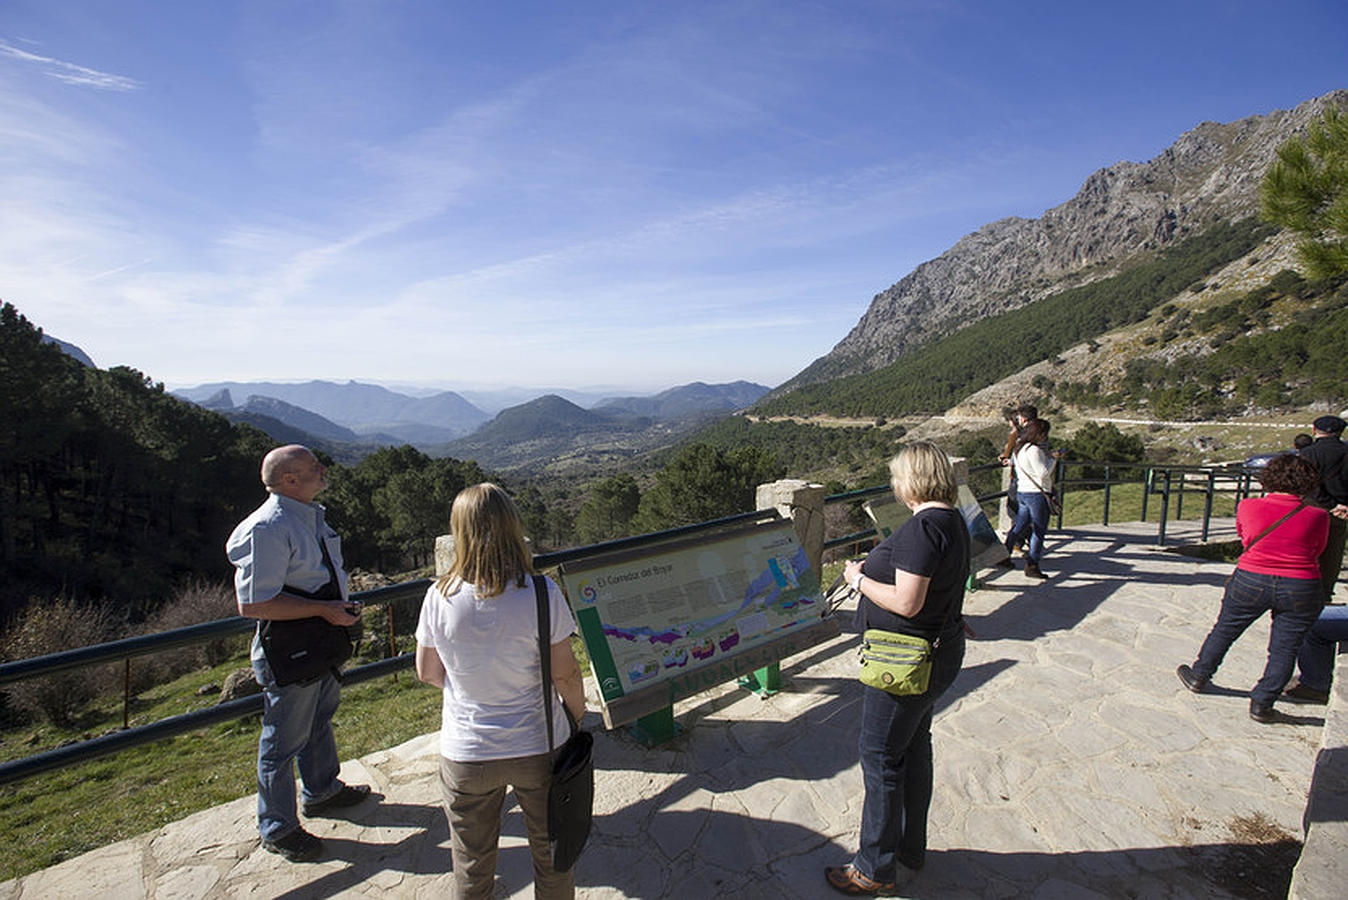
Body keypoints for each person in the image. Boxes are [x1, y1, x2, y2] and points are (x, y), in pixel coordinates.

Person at [415, 483, 587, 900]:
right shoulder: (541, 594)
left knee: (471, 865)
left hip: (468, 750)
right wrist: (575, 719)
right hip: (539, 745)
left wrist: (468, 685)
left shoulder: (438, 597)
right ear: (512, 525)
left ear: (459, 531)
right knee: (553, 859)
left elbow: (427, 671)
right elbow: (565, 675)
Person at [826, 442, 969, 896]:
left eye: (896, 476)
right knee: (914, 748)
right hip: (938, 651)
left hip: (905, 663)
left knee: (881, 757)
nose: (893, 484)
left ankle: (872, 869)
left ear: (912, 479)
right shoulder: (952, 520)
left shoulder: (924, 527)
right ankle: (910, 848)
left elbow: (908, 602)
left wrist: (859, 580)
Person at [226, 444, 371, 862]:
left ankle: (322, 790)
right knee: (281, 743)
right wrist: (325, 609)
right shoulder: (269, 528)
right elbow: (253, 604)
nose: (323, 469)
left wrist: (332, 611)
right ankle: (278, 827)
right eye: (313, 467)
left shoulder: (307, 516)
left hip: (320, 642)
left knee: (319, 721)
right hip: (293, 649)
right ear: (289, 480)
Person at [1176, 454, 1328, 723]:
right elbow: (1318, 550)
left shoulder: (1248, 506)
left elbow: (1245, 538)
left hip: (1251, 577)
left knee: (1225, 630)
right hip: (1300, 584)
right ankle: (1262, 703)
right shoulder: (1318, 516)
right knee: (1285, 648)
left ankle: (1200, 675)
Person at [1298, 415, 1348, 601]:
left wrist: (1330, 504)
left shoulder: (1309, 453)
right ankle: (1325, 593)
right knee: (1333, 554)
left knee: (1307, 550)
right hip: (1341, 511)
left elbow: (1309, 485)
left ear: (1314, 430)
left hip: (1313, 507)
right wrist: (1341, 506)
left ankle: (1304, 592)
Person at [1001, 418, 1057, 579]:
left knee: (1019, 526)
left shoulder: (1019, 448)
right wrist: (1053, 459)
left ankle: (1004, 554)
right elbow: (1043, 473)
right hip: (1036, 494)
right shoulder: (1034, 450)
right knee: (1039, 531)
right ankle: (1032, 565)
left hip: (1023, 492)